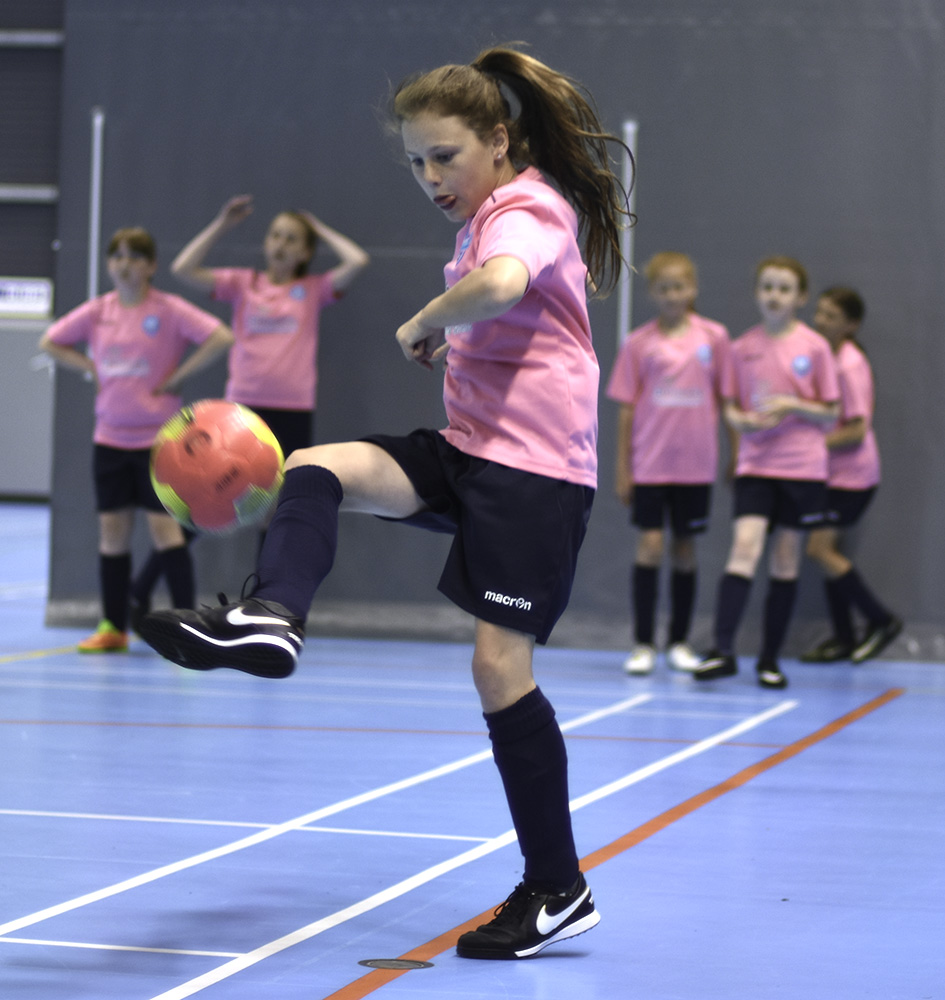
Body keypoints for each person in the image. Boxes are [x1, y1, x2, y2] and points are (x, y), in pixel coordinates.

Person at [140, 46, 632, 960]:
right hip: (470, 454)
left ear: (498, 140)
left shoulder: (527, 208)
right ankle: (273, 616)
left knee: (498, 671)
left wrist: (425, 319)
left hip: (534, 477)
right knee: (314, 466)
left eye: (444, 156)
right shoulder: (479, 222)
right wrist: (455, 336)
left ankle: (557, 887)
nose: (430, 177)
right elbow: (498, 305)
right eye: (414, 162)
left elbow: (504, 284)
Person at [127, 196, 370, 615]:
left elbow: (358, 260)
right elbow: (183, 268)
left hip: (292, 412)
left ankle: (264, 604)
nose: (280, 244)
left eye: (291, 239)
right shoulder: (243, 283)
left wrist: (318, 227)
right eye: (275, 235)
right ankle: (142, 585)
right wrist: (222, 224)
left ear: (305, 252)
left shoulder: (312, 290)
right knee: (208, 501)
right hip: (240, 418)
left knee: (275, 513)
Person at [39, 227, 233, 652]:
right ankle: (113, 627)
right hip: (109, 441)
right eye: (117, 256)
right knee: (113, 535)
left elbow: (221, 336)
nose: (124, 264)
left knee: (166, 532)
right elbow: (50, 341)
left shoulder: (169, 310)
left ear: (151, 266)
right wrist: (89, 366)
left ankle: (187, 629)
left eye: (134, 257)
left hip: (159, 444)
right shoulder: (98, 311)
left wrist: (179, 377)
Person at [693, 256, 840, 689]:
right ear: (758, 294)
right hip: (756, 465)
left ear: (800, 297)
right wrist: (741, 421)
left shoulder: (815, 347)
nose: (775, 296)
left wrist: (793, 405)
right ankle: (722, 651)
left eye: (784, 288)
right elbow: (730, 406)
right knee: (744, 547)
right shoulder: (742, 348)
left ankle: (770, 661)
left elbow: (831, 413)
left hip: (802, 468)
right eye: (768, 287)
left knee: (785, 558)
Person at [606, 252, 733, 675]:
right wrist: (623, 469)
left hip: (696, 466)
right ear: (652, 293)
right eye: (664, 288)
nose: (672, 295)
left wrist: (737, 454)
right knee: (650, 545)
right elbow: (626, 410)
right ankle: (643, 643)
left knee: (684, 548)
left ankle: (679, 641)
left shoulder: (714, 338)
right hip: (650, 464)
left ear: (692, 289)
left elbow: (726, 400)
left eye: (679, 287)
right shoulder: (638, 343)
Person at [800, 287, 902, 663]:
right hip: (830, 475)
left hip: (852, 477)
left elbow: (857, 430)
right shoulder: (825, 358)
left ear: (851, 325)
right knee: (830, 552)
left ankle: (882, 620)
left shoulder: (849, 364)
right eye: (819, 312)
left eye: (831, 316)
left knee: (819, 550)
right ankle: (844, 637)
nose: (820, 321)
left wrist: (808, 447)